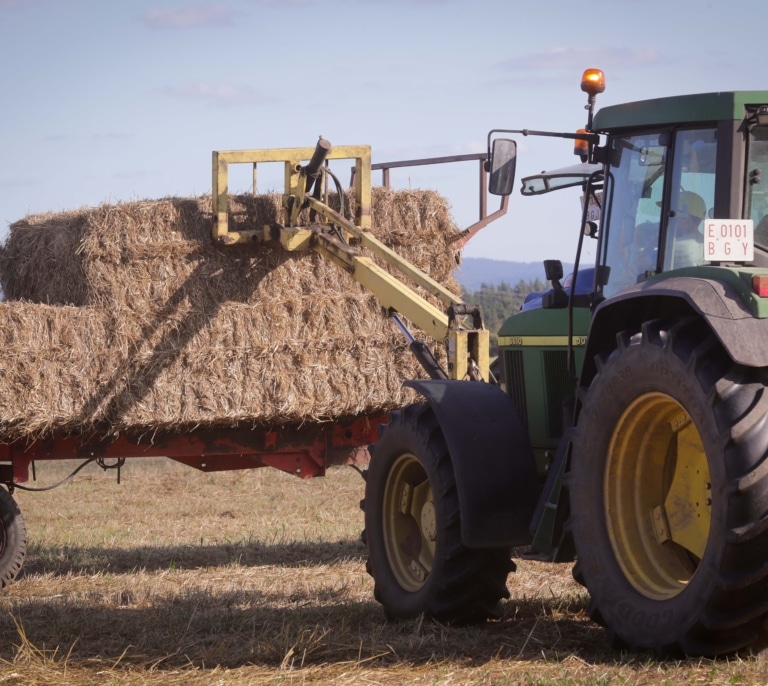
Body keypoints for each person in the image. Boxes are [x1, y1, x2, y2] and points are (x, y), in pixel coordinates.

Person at [666, 190, 707, 269]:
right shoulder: (706, 244)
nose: (670, 220)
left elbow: (641, 263)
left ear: (686, 218)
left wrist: (655, 241)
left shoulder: (678, 246)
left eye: (672, 215)